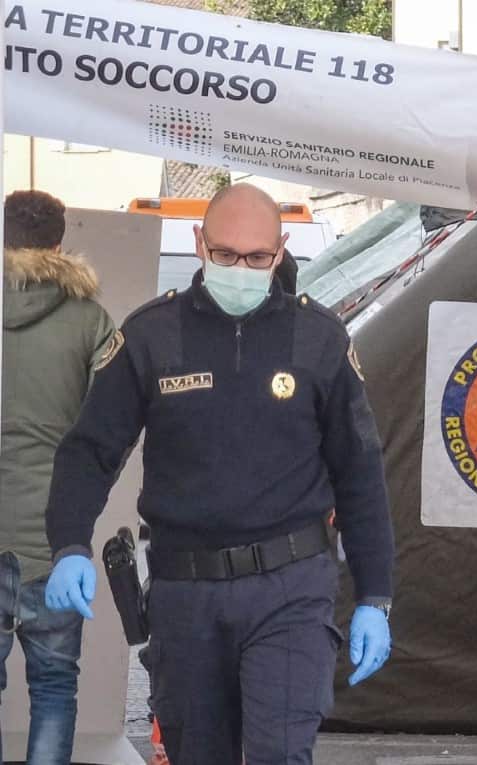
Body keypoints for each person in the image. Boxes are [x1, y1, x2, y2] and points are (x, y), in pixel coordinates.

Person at [41, 183, 395, 765]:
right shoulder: (154, 334)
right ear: (199, 243)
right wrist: (70, 543)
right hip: (186, 589)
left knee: (281, 752)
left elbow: (360, 473)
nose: (242, 268)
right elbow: (90, 450)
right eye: (227, 255)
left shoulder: (319, 339)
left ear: (281, 250)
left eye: (258, 257)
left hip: (290, 585)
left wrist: (375, 596)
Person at [0, 190, 115, 765]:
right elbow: (107, 432)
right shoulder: (90, 320)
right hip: (55, 538)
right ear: (59, 242)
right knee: (52, 687)